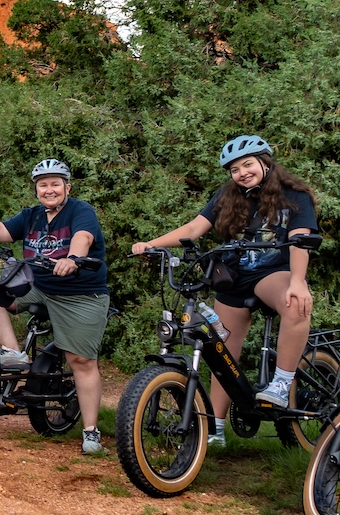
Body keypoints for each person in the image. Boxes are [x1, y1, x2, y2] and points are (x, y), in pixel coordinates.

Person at [131, 135, 317, 449]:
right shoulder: (227, 196)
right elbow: (193, 229)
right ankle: (214, 428)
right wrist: (152, 244)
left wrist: (298, 281)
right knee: (221, 349)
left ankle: (282, 384)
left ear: (265, 161)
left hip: (275, 272)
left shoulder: (294, 195)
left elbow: (301, 239)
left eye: (247, 164)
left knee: (296, 304)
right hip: (234, 274)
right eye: (234, 169)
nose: (241, 172)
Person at [0, 159, 110, 455]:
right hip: (38, 286)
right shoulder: (33, 215)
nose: (49, 190)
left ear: (67, 187)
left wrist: (72, 259)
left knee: (81, 362)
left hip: (79, 293)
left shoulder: (81, 211)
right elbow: (2, 228)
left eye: (54, 184)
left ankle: (91, 431)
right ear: (36, 190)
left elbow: (83, 237)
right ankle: (15, 353)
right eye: (43, 185)